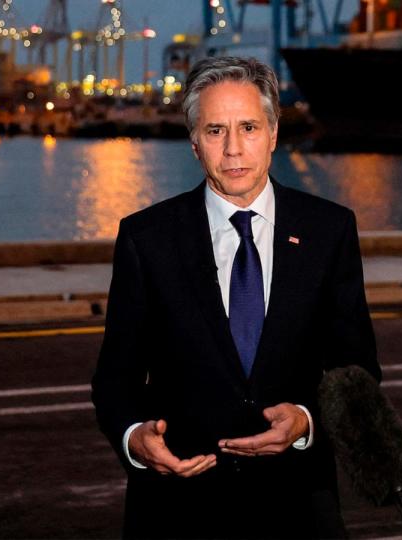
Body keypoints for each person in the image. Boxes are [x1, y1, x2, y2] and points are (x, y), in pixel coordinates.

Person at [91, 56, 381, 539]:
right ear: (193, 142)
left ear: (272, 133)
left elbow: (358, 371)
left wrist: (306, 421)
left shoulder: (329, 229)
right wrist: (134, 438)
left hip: (298, 509)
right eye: (214, 131)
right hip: (177, 510)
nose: (233, 150)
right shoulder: (147, 238)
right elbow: (115, 379)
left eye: (247, 127)